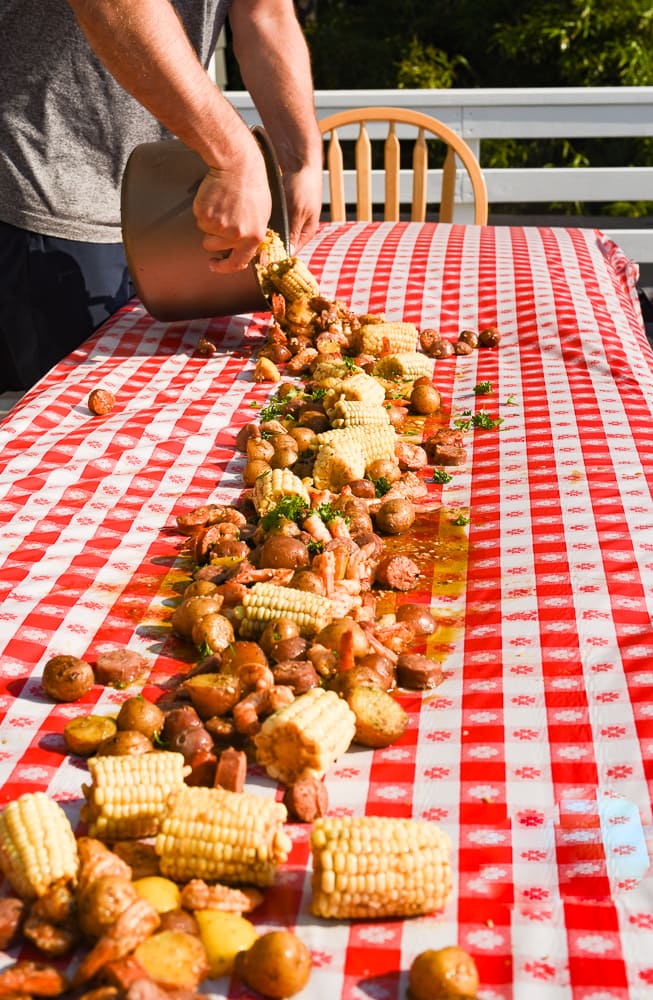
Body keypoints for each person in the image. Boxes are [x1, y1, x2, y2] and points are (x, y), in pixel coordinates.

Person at [0, 0, 324, 391]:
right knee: (70, 424)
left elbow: (265, 13)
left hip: (163, 195)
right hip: (49, 187)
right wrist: (237, 157)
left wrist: (303, 158)